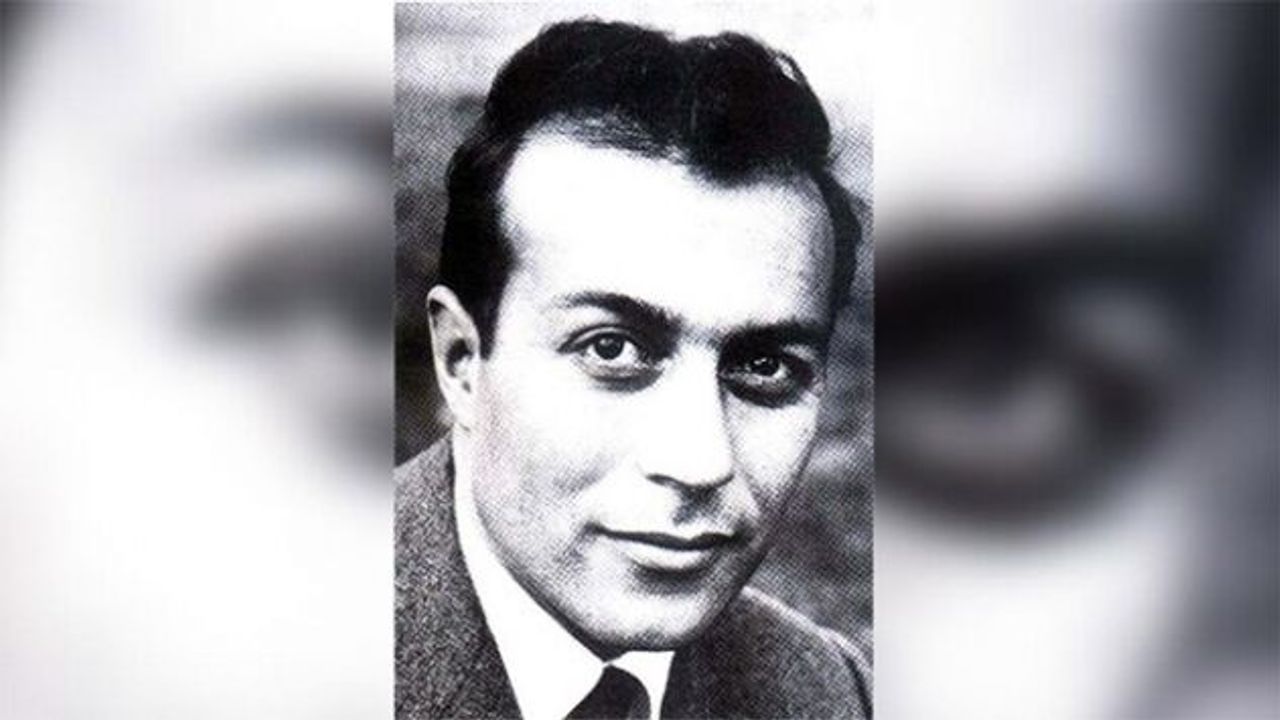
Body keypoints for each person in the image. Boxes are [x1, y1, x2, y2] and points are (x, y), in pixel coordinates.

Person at [396, 19, 871, 719]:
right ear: (461, 362)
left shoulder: (828, 694)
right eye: (612, 349)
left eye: (765, 365)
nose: (701, 462)